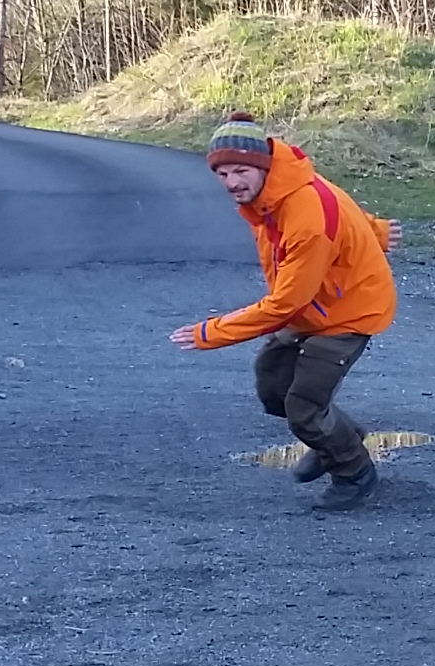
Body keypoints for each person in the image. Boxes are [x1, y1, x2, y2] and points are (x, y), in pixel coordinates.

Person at [170, 113, 399, 509]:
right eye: (222, 173)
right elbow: (340, 206)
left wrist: (211, 333)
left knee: (304, 409)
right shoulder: (279, 186)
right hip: (312, 305)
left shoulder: (303, 214)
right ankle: (340, 436)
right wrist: (374, 230)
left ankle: (355, 472)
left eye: (240, 171)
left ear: (261, 166)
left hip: (347, 312)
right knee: (274, 388)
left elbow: (285, 303)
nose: (231, 183)